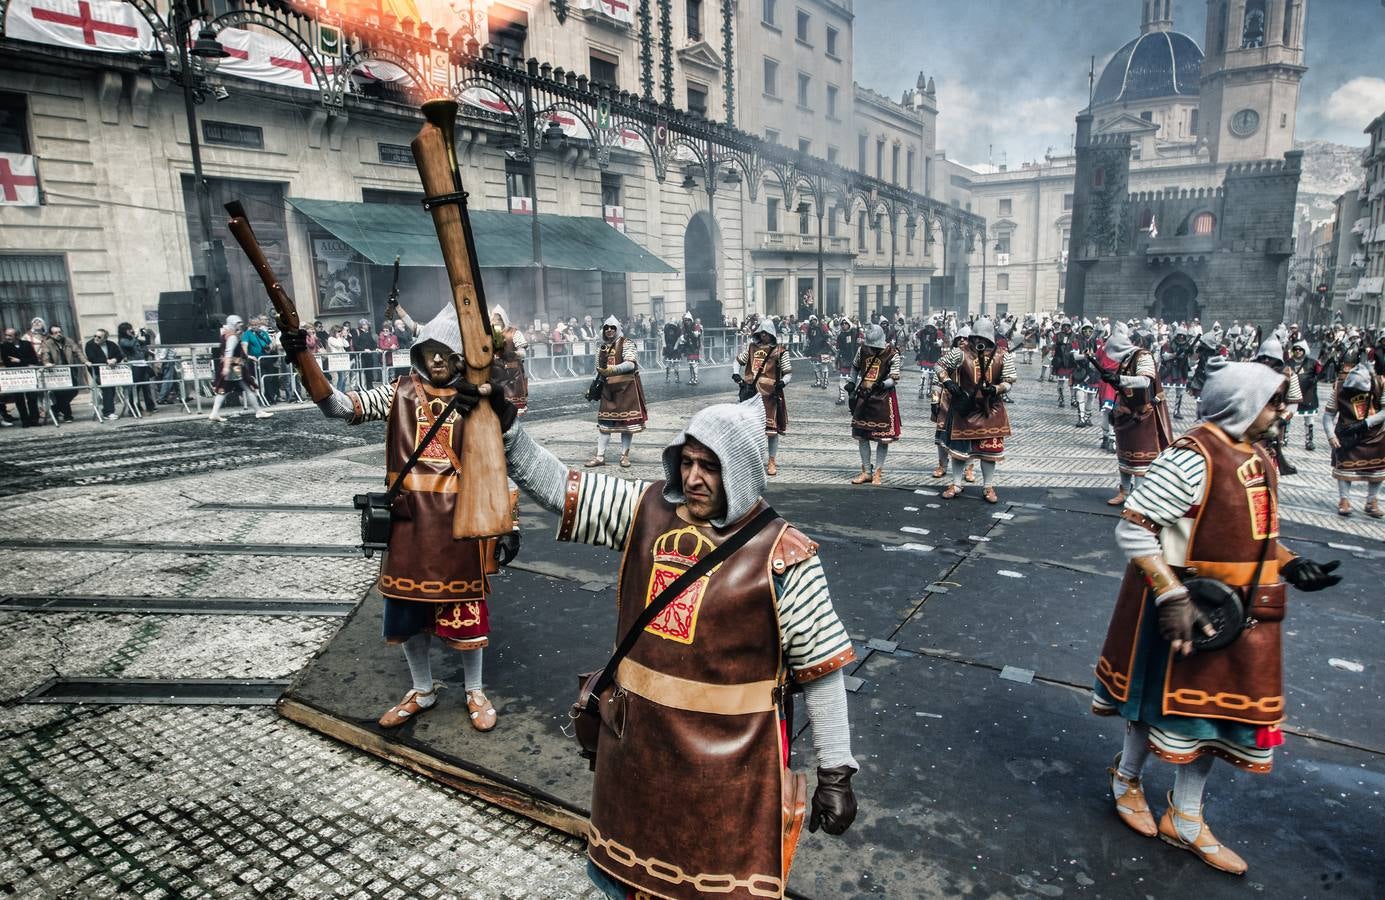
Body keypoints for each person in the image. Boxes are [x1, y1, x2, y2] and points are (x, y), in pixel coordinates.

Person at [502, 396, 858, 899]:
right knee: (625, 882)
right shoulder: (646, 511)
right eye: (687, 462)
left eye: (709, 466)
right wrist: (508, 432)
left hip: (727, 768)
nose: (692, 478)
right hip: (636, 750)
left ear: (740, 471)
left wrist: (836, 772)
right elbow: (563, 491)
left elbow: (822, 670)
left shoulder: (784, 556)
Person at [1094, 357, 1341, 876]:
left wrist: (1291, 565)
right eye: (1273, 401)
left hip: (1240, 620)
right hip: (1187, 611)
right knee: (1153, 706)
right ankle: (1126, 782)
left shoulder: (1257, 455)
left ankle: (1184, 818)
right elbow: (1134, 530)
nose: (1282, 412)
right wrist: (1171, 596)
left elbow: (1254, 537)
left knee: (1213, 719)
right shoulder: (1193, 457)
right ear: (1243, 403)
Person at [282, 307, 510, 731]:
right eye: (431, 351)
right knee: (409, 610)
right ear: (419, 354)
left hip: (461, 524)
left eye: (448, 351)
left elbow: (498, 465)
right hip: (409, 522)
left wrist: (506, 523)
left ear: (462, 357)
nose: (438, 359)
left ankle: (474, 690)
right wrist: (304, 359)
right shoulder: (398, 393)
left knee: (466, 610)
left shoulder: (476, 400)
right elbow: (337, 407)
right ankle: (422, 690)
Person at [935, 317, 1016, 503]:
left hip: (990, 409)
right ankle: (956, 483)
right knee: (959, 451)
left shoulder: (1002, 355)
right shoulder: (960, 353)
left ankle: (988, 486)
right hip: (965, 407)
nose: (979, 341)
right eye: (976, 337)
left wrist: (997, 388)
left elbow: (1009, 380)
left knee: (989, 453)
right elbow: (939, 365)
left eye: (983, 338)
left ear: (989, 338)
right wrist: (947, 382)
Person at [1100, 323, 1173, 507]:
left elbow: (1144, 381)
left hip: (1143, 413)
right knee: (1124, 455)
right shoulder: (1126, 359)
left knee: (1141, 459)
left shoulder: (1143, 355)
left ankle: (1139, 498)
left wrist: (1119, 379)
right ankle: (1124, 492)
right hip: (1125, 413)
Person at [1323, 356, 1385, 518]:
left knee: (1377, 469)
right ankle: (1344, 500)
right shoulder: (1339, 387)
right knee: (1344, 467)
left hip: (1375, 434)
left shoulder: (1381, 384)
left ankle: (1372, 501)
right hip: (1347, 434)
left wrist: (1366, 424)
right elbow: (1328, 415)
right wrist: (1330, 436)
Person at [587, 316, 647, 468]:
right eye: (606, 327)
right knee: (604, 424)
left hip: (626, 389)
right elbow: (599, 369)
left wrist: (612, 369)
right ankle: (600, 456)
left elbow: (630, 364)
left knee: (626, 425)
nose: (609, 330)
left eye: (612, 328)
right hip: (608, 390)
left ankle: (624, 456)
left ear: (617, 329)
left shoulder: (627, 343)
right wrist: (594, 386)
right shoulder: (601, 346)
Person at [847, 324, 902, 485]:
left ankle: (878, 471)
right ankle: (866, 471)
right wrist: (851, 382)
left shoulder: (892, 353)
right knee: (862, 436)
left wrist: (883, 384)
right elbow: (855, 367)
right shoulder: (862, 350)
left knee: (882, 438)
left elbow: (895, 376)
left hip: (883, 397)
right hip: (864, 395)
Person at [735, 320, 790, 476]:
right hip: (750, 392)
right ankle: (753, 461)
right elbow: (738, 361)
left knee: (771, 430)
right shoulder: (752, 348)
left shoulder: (780, 351)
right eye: (761, 332)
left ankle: (772, 461)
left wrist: (782, 383)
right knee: (750, 430)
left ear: (771, 333)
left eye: (766, 333)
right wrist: (735, 374)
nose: (763, 335)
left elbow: (788, 372)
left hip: (770, 394)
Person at [208, 315, 272, 423]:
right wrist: (227, 367)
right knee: (247, 387)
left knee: (225, 390)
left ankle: (214, 413)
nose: (240, 325)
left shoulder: (225, 334)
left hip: (232, 366)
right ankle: (258, 411)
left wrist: (247, 357)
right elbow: (229, 352)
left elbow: (233, 352)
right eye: (238, 323)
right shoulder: (232, 336)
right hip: (235, 367)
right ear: (234, 324)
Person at [40, 323, 84, 422]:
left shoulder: (68, 341)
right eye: (55, 333)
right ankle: (68, 416)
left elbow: (78, 352)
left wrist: (85, 361)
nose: (58, 334)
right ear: (51, 334)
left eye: (60, 332)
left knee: (74, 390)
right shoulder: (47, 343)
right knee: (61, 394)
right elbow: (45, 354)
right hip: (56, 373)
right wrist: (47, 363)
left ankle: (55, 409)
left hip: (70, 371)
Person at [489, 306, 528, 416]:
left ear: (503, 319)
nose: (497, 321)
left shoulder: (513, 332)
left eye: (499, 318)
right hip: (495, 374)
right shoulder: (490, 334)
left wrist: (511, 354)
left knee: (514, 408)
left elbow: (523, 353)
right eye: (494, 318)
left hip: (513, 373)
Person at [1, 326, 41, 426]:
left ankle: (34, 420)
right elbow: (8, 363)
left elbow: (34, 360)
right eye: (6, 335)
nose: (7, 337)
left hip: (29, 375)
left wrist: (20, 361)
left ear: (17, 336)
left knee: (32, 398)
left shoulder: (26, 344)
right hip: (16, 376)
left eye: (10, 335)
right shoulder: (5, 346)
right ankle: (25, 421)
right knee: (19, 399)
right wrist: (26, 363)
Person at [1286, 340, 1321, 452]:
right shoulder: (1288, 362)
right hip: (1291, 394)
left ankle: (1309, 440)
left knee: (1309, 419)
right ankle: (1284, 438)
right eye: (1296, 349)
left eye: (1300, 349)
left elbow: (1320, 374)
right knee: (1287, 417)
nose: (1298, 351)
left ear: (1304, 351)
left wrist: (1314, 380)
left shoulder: (1312, 362)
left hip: (1308, 395)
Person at [84, 327, 124, 420]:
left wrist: (115, 359)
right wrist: (107, 361)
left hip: (111, 372)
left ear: (105, 338)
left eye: (99, 337)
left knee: (113, 388)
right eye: (95, 336)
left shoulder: (111, 344)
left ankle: (109, 410)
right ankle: (108, 412)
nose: (96, 338)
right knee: (108, 388)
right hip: (98, 372)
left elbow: (120, 354)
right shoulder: (90, 344)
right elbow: (92, 357)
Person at [116, 323, 157, 414]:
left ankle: (150, 406)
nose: (131, 331)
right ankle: (134, 407)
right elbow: (130, 345)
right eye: (129, 329)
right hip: (133, 365)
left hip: (143, 364)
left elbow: (146, 343)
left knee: (146, 386)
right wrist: (136, 335)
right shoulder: (122, 340)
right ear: (125, 331)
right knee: (135, 387)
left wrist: (145, 334)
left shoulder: (133, 339)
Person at [1161, 327, 1194, 420]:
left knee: (1180, 392)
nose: (1181, 337)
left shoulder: (1187, 345)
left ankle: (1176, 411)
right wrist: (1175, 355)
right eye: (1180, 335)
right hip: (1170, 369)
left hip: (1181, 369)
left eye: (1183, 336)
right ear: (1176, 335)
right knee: (1164, 392)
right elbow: (1164, 357)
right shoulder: (1168, 345)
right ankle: (1159, 409)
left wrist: (1188, 353)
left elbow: (1191, 357)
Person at [1050, 319, 1077, 407]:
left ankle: (1073, 399)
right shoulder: (1058, 335)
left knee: (1072, 382)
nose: (1065, 327)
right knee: (1060, 382)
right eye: (1064, 325)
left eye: (1067, 325)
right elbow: (1052, 346)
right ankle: (1061, 398)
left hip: (1071, 361)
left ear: (1070, 326)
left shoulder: (1075, 336)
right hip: (1060, 361)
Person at [681, 312, 703, 385]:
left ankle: (696, 379)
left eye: (688, 320)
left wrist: (694, 333)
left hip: (694, 347)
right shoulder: (685, 328)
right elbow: (683, 336)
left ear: (690, 320)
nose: (686, 321)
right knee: (690, 364)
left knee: (694, 364)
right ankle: (691, 378)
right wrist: (683, 338)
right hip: (688, 347)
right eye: (685, 320)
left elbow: (697, 334)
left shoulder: (695, 326)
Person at [662, 318, 684, 383]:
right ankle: (667, 378)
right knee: (668, 363)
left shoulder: (678, 328)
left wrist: (676, 346)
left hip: (675, 348)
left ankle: (677, 378)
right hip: (668, 346)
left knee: (676, 363)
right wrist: (664, 345)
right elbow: (663, 336)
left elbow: (679, 338)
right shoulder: (666, 327)